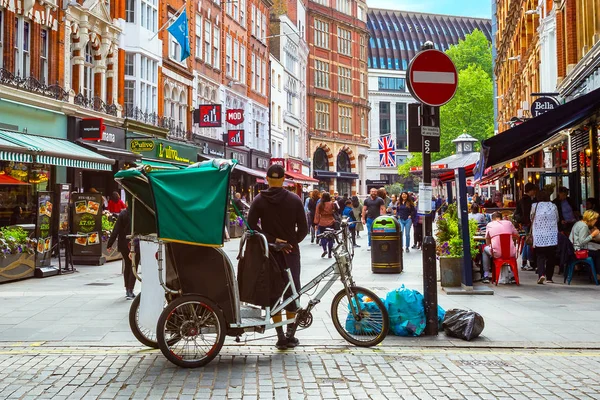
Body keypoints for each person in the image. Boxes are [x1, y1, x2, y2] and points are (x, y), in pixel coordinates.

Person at [247, 163, 308, 350]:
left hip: (270, 253)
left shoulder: (259, 200)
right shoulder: (295, 200)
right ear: (283, 179)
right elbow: (304, 229)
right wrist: (290, 243)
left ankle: (280, 336)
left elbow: (250, 226)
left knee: (274, 293)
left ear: (267, 179)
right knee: (291, 293)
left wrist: (272, 241)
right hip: (290, 254)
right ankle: (291, 335)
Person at [107, 209, 138, 300]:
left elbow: (115, 230)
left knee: (127, 265)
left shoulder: (123, 214)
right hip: (134, 243)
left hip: (123, 243)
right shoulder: (137, 214)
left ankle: (127, 289)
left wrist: (110, 244)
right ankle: (130, 289)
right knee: (133, 266)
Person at [481, 212, 520, 284]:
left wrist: (491, 245)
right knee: (511, 254)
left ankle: (486, 275)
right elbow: (517, 235)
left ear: (492, 219)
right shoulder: (509, 223)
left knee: (485, 250)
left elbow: (487, 240)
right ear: (501, 218)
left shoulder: (489, 225)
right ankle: (513, 274)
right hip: (511, 253)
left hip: (497, 253)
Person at [531, 190, 559, 284]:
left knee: (540, 256)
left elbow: (531, 218)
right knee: (551, 257)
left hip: (539, 235)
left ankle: (541, 275)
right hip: (551, 235)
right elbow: (557, 218)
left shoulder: (535, 206)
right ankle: (549, 278)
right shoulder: (553, 206)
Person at [569, 210, 600, 279]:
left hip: (573, 247)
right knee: (598, 253)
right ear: (590, 219)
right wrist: (592, 235)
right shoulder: (584, 227)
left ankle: (593, 273)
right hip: (579, 250)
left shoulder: (578, 223)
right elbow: (582, 241)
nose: (596, 221)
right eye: (595, 219)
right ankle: (597, 274)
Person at [514, 183, 538, 271]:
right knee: (529, 243)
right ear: (530, 190)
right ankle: (530, 262)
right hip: (528, 223)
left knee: (526, 243)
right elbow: (527, 214)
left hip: (524, 224)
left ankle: (524, 262)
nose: (535, 192)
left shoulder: (522, 200)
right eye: (533, 190)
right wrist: (528, 222)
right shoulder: (528, 201)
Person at [314, 192, 336, 258]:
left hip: (322, 222)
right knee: (330, 238)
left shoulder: (320, 205)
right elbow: (334, 211)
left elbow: (317, 214)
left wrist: (316, 223)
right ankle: (330, 253)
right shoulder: (331, 204)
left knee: (323, 237)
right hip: (330, 221)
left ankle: (325, 250)